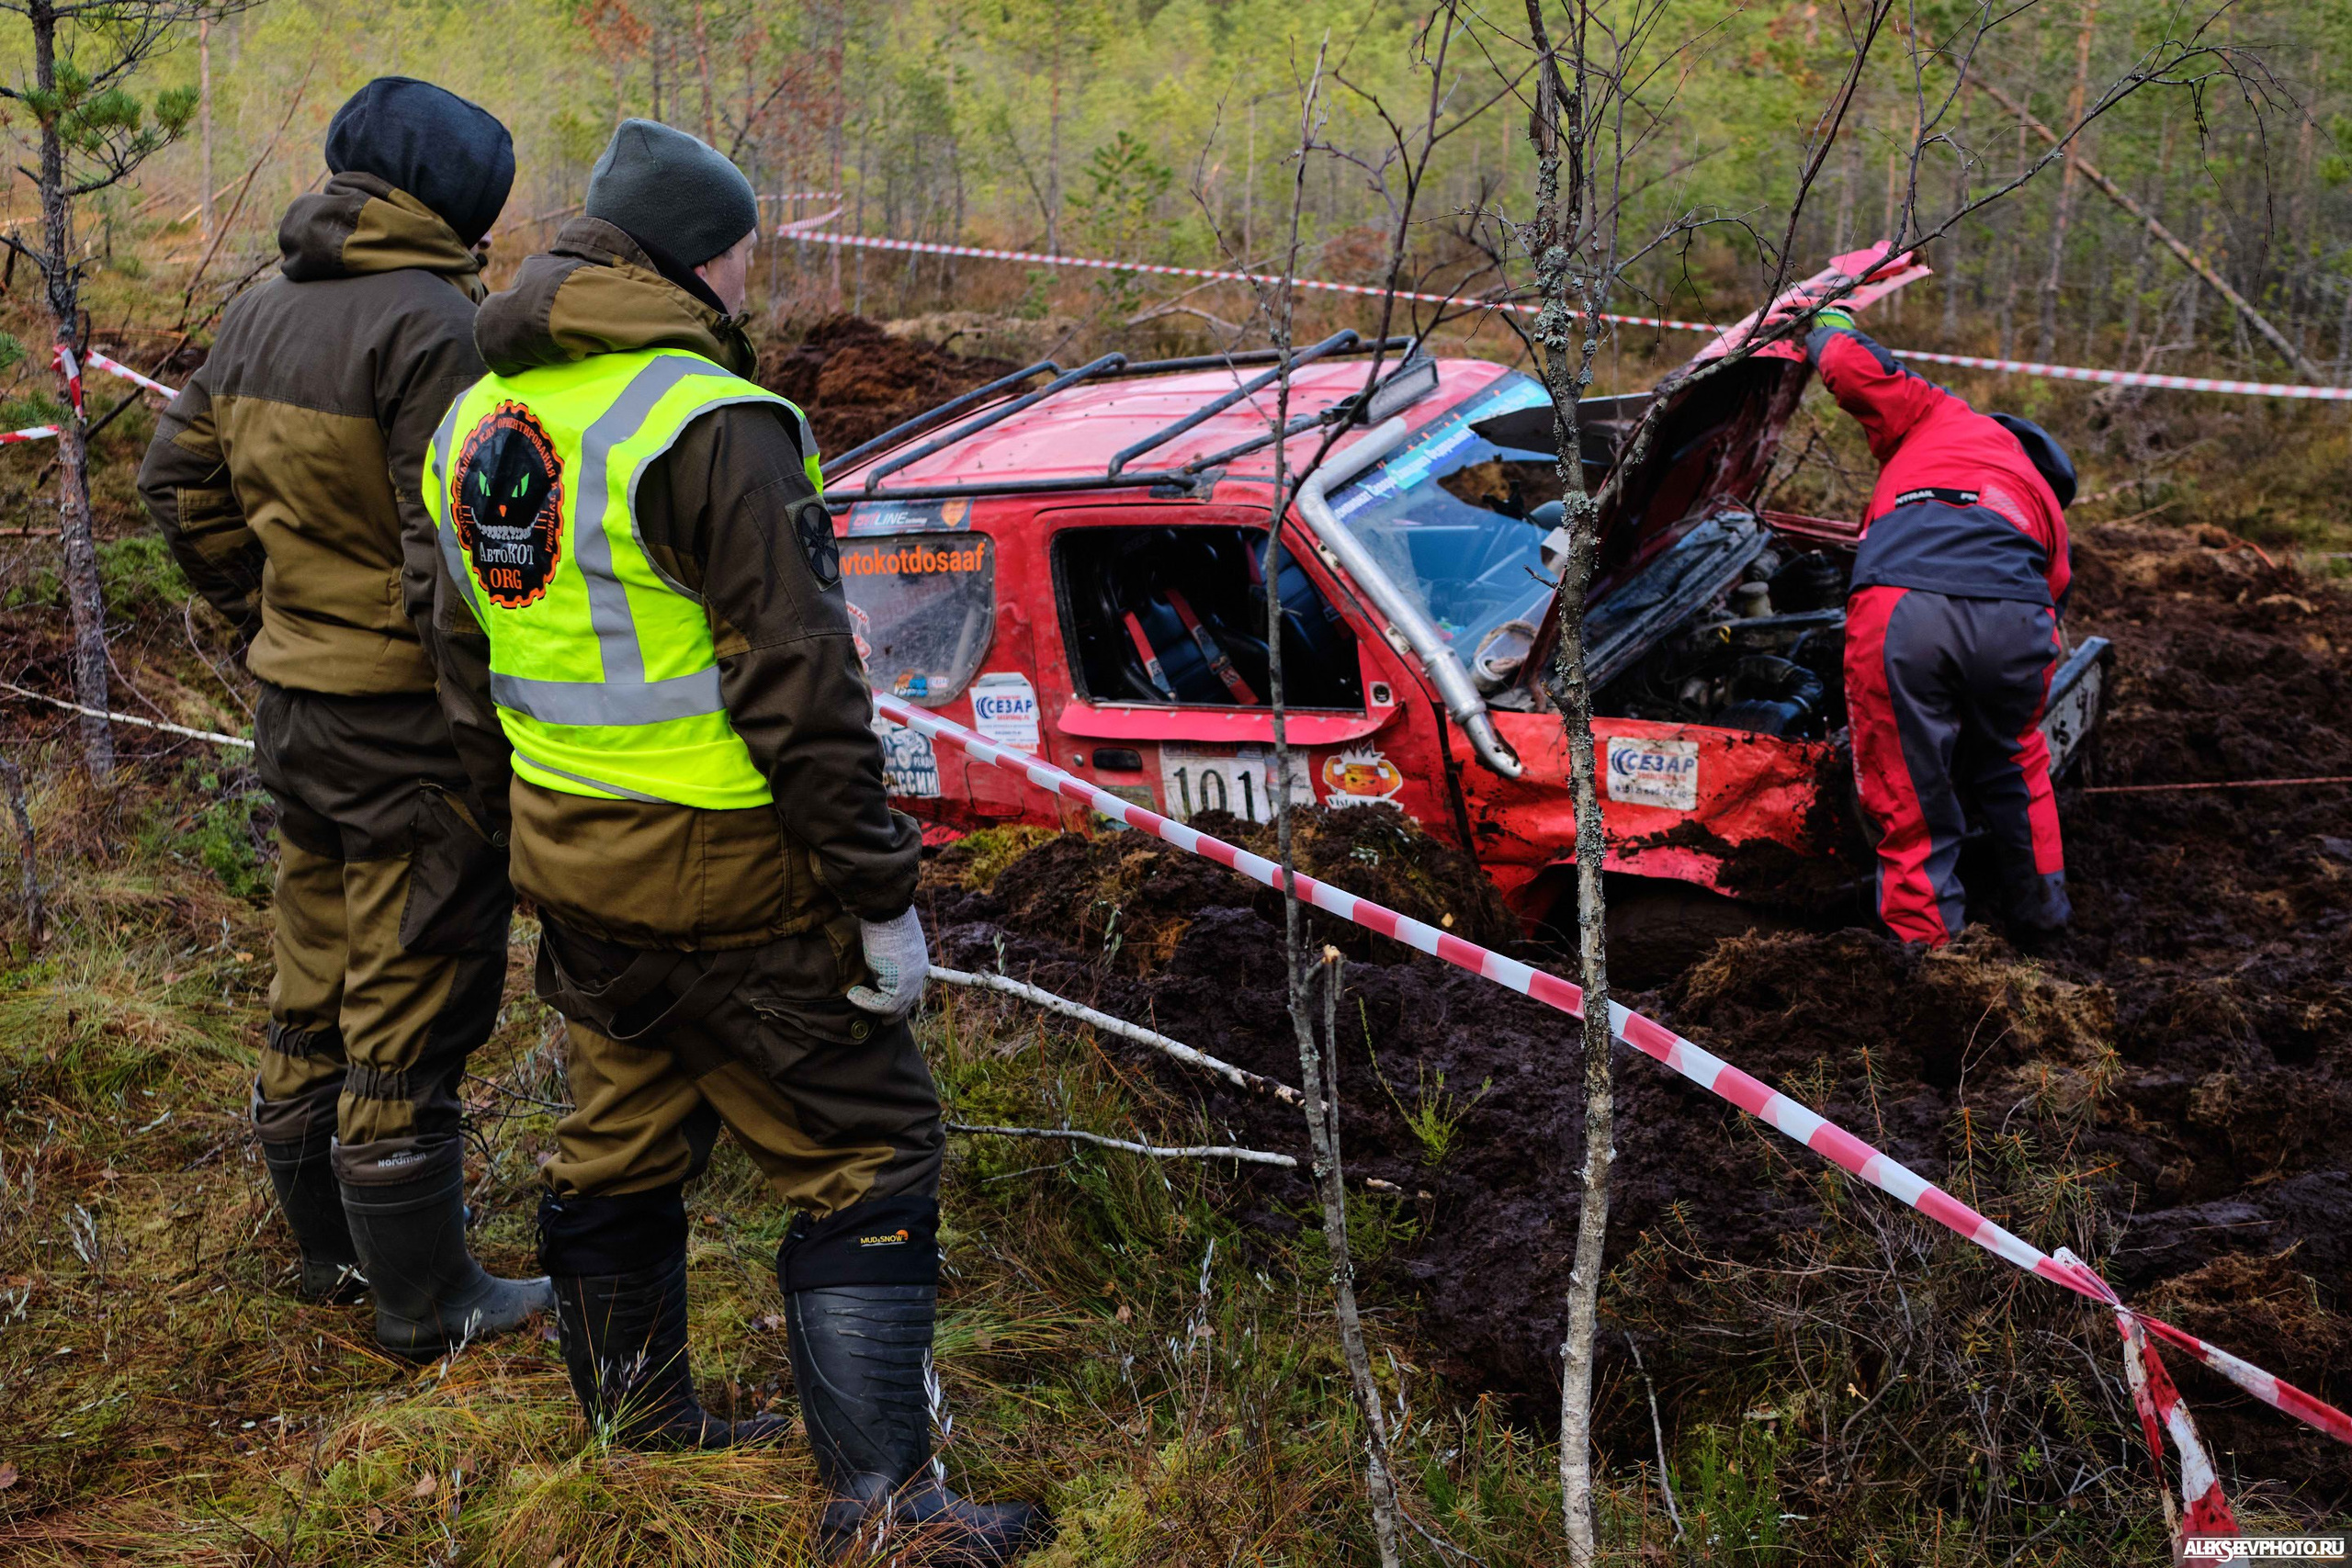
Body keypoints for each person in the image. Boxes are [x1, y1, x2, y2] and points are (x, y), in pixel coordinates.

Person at [423, 119, 1049, 1562]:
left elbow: (461, 671)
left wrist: (521, 841)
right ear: (699, 257)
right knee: (865, 1153)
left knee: (619, 1141)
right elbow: (804, 689)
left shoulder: (479, 422)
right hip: (742, 869)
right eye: (740, 249)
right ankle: (889, 1507)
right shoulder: (710, 421)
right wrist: (878, 891)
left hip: (577, 861)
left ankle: (637, 1432)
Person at [139, 78, 551, 1356]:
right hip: (404, 729)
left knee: (308, 977)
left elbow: (176, 481)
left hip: (297, 706)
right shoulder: (443, 326)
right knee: (410, 993)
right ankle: (427, 1300)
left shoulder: (258, 307)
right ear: (458, 196)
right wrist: (488, 748)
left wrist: (268, 611)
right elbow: (457, 567)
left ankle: (329, 1258)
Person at [1804, 301, 2076, 948]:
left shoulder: (1938, 413)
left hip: (1903, 610)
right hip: (2015, 616)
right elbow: (2054, 602)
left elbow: (1847, 362)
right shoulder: (2042, 501)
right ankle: (2043, 921)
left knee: (1908, 793)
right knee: (2017, 762)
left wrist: (1826, 323)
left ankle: (1932, 960)